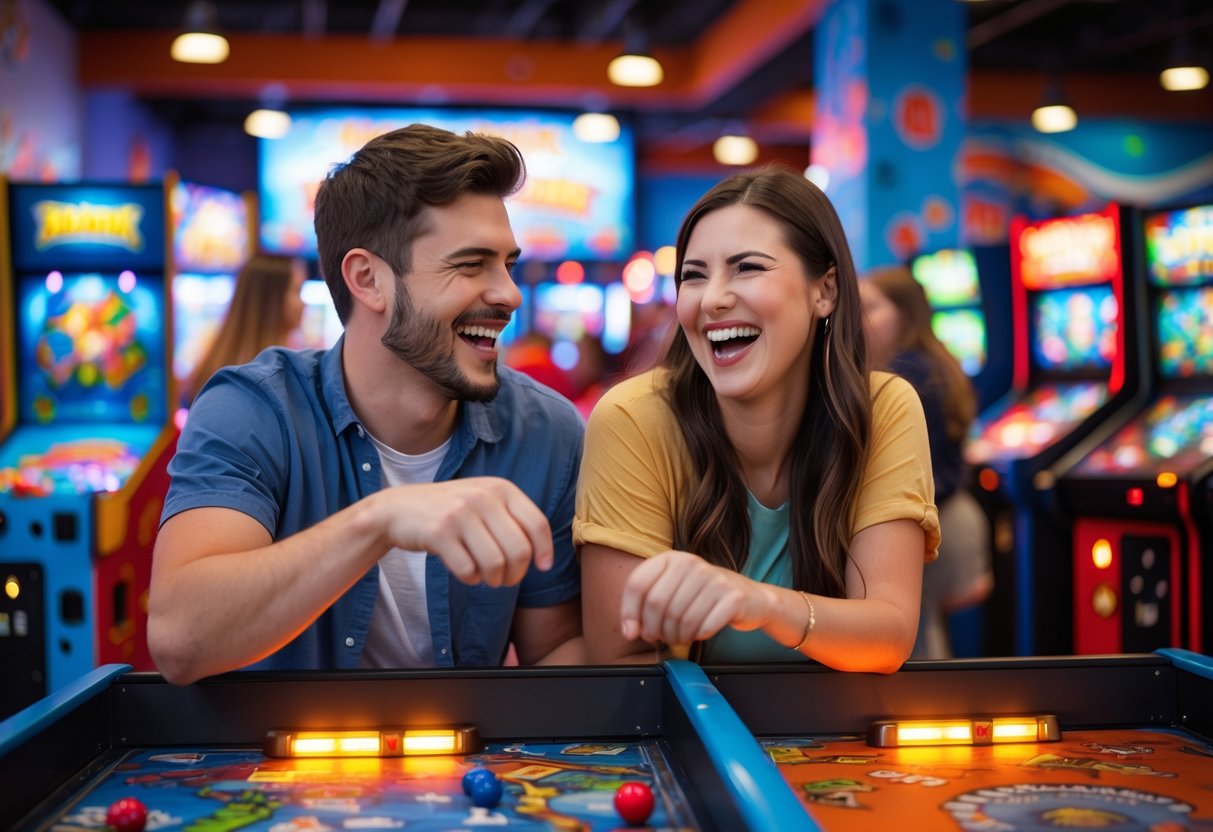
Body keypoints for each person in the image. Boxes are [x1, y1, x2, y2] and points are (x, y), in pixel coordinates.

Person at [149, 124, 585, 685]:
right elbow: (180, 639)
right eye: (472, 264)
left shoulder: (545, 430)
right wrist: (380, 521)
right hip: (279, 762)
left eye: (508, 264)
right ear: (367, 279)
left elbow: (551, 655)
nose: (509, 293)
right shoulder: (253, 410)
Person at [574, 166, 939, 673]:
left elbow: (889, 634)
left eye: (747, 267)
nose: (713, 298)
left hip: (839, 736)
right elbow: (621, 664)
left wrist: (759, 604)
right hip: (686, 736)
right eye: (693, 276)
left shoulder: (883, 408)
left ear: (824, 291)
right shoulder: (635, 417)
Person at [859, 265, 993, 660]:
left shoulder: (908, 373)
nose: (859, 319)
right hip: (954, 515)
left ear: (905, 313)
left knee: (915, 649)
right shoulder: (933, 362)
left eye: (871, 306)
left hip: (933, 522)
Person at [180, 252, 307, 407]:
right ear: (272, 299)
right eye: (297, 291)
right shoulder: (277, 376)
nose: (303, 303)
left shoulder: (215, 364)